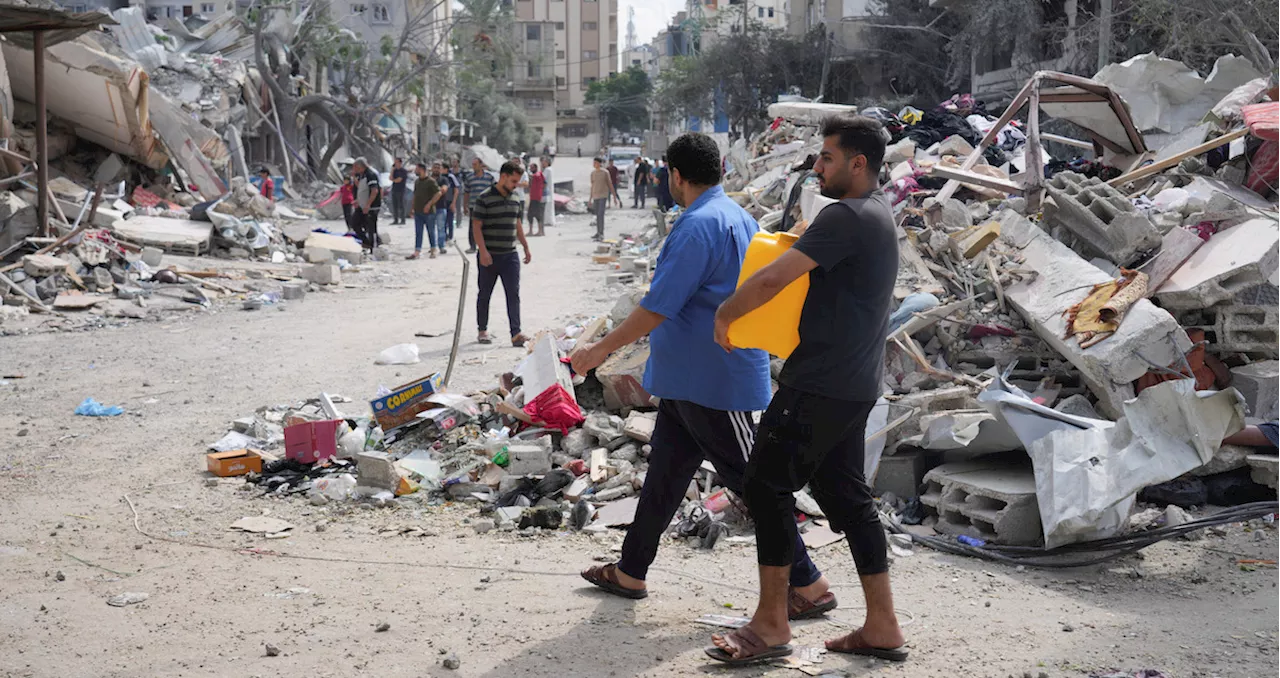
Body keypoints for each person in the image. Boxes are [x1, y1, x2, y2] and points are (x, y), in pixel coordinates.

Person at [573, 132, 835, 619]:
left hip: (713, 382)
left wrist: (598, 350)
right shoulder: (738, 215)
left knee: (756, 484)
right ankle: (631, 570)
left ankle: (809, 583)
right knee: (664, 479)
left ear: (675, 175)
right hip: (690, 381)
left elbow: (656, 308)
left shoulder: (698, 225)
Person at [707, 114, 906, 665]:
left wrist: (726, 313)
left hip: (818, 382)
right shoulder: (877, 214)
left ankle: (771, 623)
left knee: (765, 484)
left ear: (857, 164)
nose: (817, 166)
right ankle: (882, 625)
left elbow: (775, 278)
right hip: (855, 383)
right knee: (848, 498)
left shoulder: (846, 216)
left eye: (827, 158)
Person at [471, 160, 531, 347]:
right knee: (485, 294)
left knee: (513, 294)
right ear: (503, 176)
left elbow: (517, 224)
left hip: (510, 255)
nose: (516, 185)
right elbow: (476, 225)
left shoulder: (515, 199)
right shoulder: (484, 198)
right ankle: (482, 330)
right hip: (489, 255)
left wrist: (526, 247)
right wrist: (483, 251)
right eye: (513, 181)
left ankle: (516, 333)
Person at [408, 162, 442, 260]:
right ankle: (417, 251)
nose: (415, 171)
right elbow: (415, 195)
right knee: (418, 232)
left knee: (431, 231)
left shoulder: (431, 181)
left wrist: (429, 204)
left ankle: (433, 250)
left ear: (422, 170)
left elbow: (438, 193)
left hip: (429, 212)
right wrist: (412, 208)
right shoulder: (417, 182)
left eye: (417, 169)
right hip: (418, 211)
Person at [463, 158, 496, 254]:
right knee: (473, 227)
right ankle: (472, 246)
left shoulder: (489, 177)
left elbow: (495, 191)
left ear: (481, 165)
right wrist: (465, 206)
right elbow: (466, 193)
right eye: (472, 164)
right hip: (474, 206)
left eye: (475, 164)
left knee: (487, 227)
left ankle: (486, 245)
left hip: (487, 206)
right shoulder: (469, 177)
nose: (473, 166)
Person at [352, 157, 382, 252]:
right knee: (354, 222)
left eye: (355, 167)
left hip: (371, 207)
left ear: (360, 166)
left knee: (371, 227)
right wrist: (358, 200)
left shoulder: (370, 174)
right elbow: (363, 189)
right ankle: (367, 242)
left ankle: (374, 247)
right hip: (362, 206)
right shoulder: (361, 175)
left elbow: (374, 191)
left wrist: (368, 204)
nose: (354, 170)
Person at [590, 157, 611, 241]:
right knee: (597, 215)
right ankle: (598, 232)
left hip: (603, 196)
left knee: (600, 214)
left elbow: (610, 184)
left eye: (595, 162)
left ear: (599, 163)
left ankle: (601, 233)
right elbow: (592, 186)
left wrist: (614, 197)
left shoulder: (605, 172)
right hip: (595, 196)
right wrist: (590, 198)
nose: (594, 164)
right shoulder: (593, 173)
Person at [444, 160, 464, 247]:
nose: (454, 163)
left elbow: (458, 186)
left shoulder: (459, 173)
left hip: (456, 195)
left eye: (455, 162)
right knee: (445, 219)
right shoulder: (449, 173)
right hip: (445, 200)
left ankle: (458, 223)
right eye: (453, 162)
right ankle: (445, 236)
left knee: (457, 209)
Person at [525, 162, 546, 237]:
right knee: (537, 214)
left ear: (535, 168)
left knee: (531, 214)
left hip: (534, 197)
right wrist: (541, 190)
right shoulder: (540, 174)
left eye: (531, 168)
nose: (530, 169)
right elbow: (545, 183)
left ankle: (532, 231)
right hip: (537, 196)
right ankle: (540, 231)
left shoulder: (534, 175)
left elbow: (529, 182)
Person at [390, 157, 408, 225]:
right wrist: (392, 170)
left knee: (401, 205)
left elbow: (399, 180)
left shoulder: (403, 171)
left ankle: (403, 220)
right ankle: (395, 220)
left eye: (397, 162)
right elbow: (390, 178)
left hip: (401, 190)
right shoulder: (395, 171)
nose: (395, 163)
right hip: (394, 189)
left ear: (400, 163)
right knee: (395, 205)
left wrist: (394, 180)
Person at [540, 156, 557, 231]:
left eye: (544, 162)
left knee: (547, 206)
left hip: (547, 191)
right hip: (549, 190)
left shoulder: (547, 170)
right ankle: (549, 220)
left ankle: (548, 220)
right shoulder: (549, 169)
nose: (542, 163)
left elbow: (542, 178)